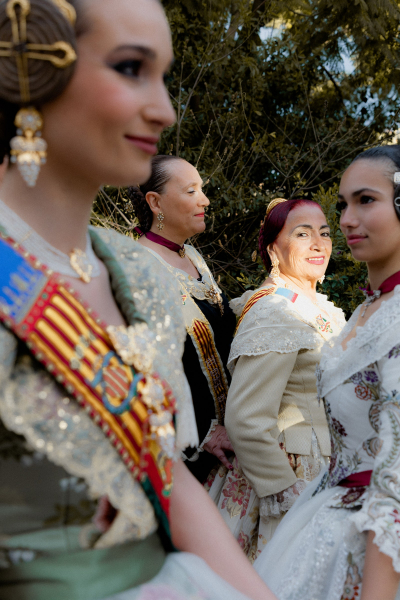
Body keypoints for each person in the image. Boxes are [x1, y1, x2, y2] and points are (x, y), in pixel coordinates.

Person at [0, 1, 277, 599]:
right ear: (28, 72)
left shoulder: (137, 273)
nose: (164, 110)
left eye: (164, 76)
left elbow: (162, 471)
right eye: (131, 68)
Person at [253, 146, 400, 599]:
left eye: (366, 200)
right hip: (324, 519)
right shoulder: (361, 315)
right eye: (343, 205)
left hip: (378, 549)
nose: (347, 220)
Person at [207, 197, 345, 561]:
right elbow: (247, 419)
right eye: (302, 234)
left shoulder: (311, 304)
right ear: (272, 249)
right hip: (293, 473)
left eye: (325, 233)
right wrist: (285, 492)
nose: (319, 243)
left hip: (327, 467)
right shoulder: (275, 310)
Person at [129, 156, 236, 482]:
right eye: (191, 191)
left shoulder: (190, 256)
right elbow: (140, 375)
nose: (204, 200)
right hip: (186, 458)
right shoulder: (137, 270)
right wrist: (204, 432)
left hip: (231, 447)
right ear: (155, 202)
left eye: (201, 189)